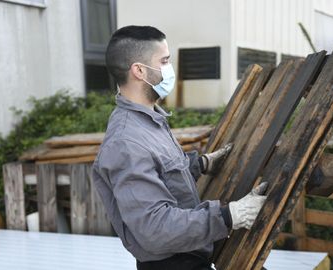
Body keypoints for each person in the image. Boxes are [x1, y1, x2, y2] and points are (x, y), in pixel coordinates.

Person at [92, 25, 267, 270]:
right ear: (139, 71)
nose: (170, 69)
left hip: (190, 254)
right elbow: (154, 228)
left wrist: (200, 164)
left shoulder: (149, 120)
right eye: (164, 61)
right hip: (172, 263)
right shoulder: (125, 142)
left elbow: (161, 173)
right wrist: (229, 216)